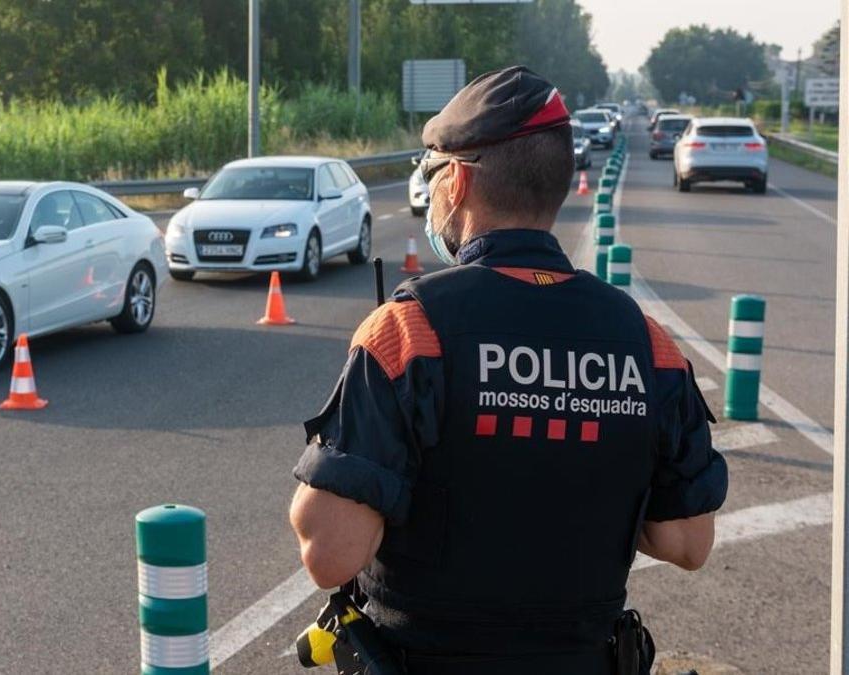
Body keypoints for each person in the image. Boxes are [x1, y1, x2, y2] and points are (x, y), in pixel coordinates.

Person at [289, 66, 726, 674]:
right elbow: (687, 543)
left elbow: (330, 554)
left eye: (435, 175)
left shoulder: (409, 334)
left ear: (458, 183)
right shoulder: (646, 342)